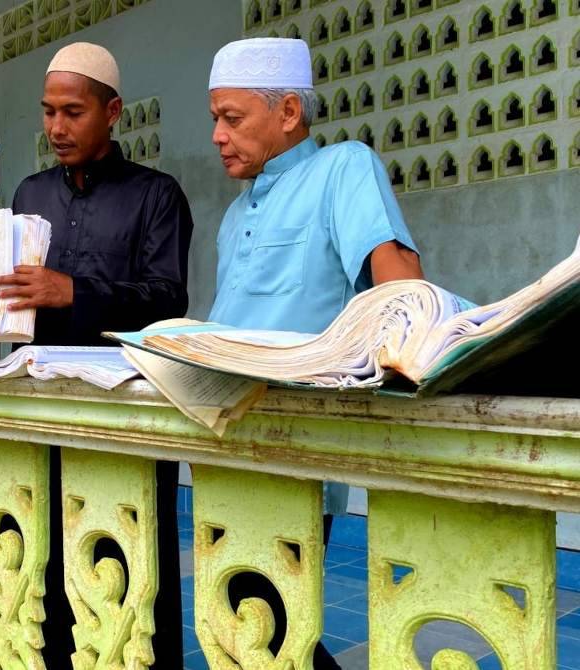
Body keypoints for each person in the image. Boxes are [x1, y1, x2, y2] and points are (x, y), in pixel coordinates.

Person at [0, 42, 193, 667]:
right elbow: (9, 315)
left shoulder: (156, 195)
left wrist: (73, 291)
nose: (56, 128)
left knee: (128, 574)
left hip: (122, 420)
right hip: (36, 413)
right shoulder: (30, 193)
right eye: (48, 112)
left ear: (113, 112)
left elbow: (167, 300)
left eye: (72, 112)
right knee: (38, 569)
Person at [207, 37, 424, 668]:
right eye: (214, 119)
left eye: (232, 118)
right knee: (242, 626)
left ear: (290, 113)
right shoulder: (234, 214)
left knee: (267, 632)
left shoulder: (343, 169)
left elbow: (402, 282)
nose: (219, 136)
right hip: (227, 443)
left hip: (294, 449)